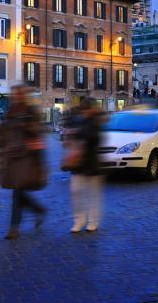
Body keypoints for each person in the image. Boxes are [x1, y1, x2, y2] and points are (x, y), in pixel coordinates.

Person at [0, 85, 48, 239]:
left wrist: (27, 125)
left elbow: (39, 132)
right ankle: (39, 210)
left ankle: (14, 228)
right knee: (19, 192)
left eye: (18, 94)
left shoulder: (31, 112)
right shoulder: (11, 112)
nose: (15, 96)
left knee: (17, 192)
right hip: (12, 157)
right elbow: (2, 132)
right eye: (14, 94)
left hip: (27, 157)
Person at [65, 99, 105, 233]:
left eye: (86, 110)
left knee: (92, 194)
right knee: (76, 191)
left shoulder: (97, 122)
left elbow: (96, 139)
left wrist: (79, 136)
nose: (85, 113)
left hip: (92, 161)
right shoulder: (80, 121)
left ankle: (93, 221)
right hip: (79, 161)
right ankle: (79, 220)